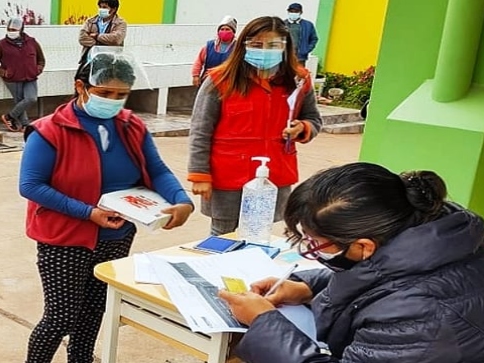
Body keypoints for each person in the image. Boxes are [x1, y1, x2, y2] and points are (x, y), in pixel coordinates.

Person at [219, 162, 484, 363]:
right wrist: (306, 286)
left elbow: (402, 296)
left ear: (362, 246)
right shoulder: (439, 233)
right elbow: (383, 278)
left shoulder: (422, 316)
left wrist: (264, 323)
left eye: (313, 243)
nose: (307, 249)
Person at [19, 51, 194, 363]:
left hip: (116, 236)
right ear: (80, 86)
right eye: (104, 93)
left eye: (121, 95)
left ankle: (81, 359)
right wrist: (89, 213)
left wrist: (182, 200)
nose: (114, 101)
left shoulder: (131, 126)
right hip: (66, 239)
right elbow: (31, 186)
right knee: (60, 318)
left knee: (93, 312)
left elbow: (157, 171)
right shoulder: (49, 131)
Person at [187, 16, 322, 236]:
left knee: (259, 233)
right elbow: (200, 130)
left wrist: (303, 127)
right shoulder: (220, 80)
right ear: (244, 46)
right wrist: (199, 174)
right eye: (257, 45)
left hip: (273, 174)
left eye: (274, 45)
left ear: (285, 47)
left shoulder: (299, 80)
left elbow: (314, 119)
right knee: (222, 232)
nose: (265, 50)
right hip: (227, 174)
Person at [0, 17, 45, 132]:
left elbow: (41, 59)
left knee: (31, 98)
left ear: (21, 29)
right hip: (13, 79)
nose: (11, 31)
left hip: (30, 77)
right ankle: (25, 125)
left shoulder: (32, 42)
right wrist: (3, 73)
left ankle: (9, 116)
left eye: (14, 29)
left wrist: (37, 69)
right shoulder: (0, 45)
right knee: (19, 101)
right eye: (9, 29)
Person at [77, 0, 127, 73]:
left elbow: (116, 39)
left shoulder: (120, 23)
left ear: (113, 9)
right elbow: (82, 38)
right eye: (100, 7)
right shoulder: (90, 21)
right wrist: (103, 43)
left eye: (104, 7)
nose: (101, 9)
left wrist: (97, 36)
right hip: (90, 61)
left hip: (111, 62)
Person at [191, 15, 238, 87]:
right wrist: (195, 76)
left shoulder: (237, 47)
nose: (224, 31)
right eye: (222, 29)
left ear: (233, 32)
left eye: (227, 29)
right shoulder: (209, 46)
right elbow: (199, 61)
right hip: (208, 82)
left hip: (228, 83)